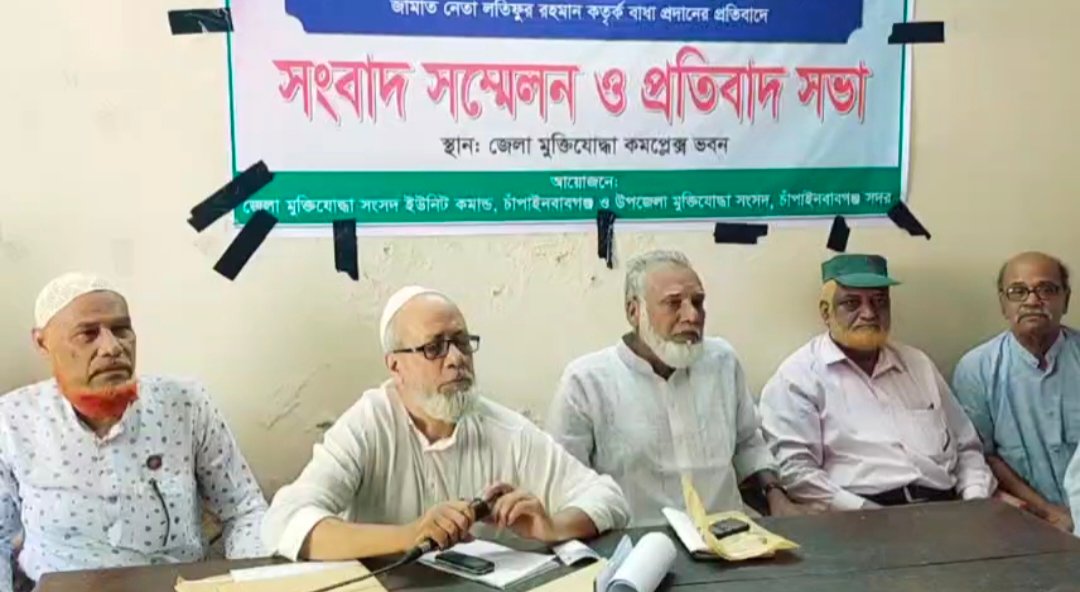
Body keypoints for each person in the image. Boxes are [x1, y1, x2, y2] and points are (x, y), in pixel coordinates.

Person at [261, 287, 629, 561]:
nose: (455, 359)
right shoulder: (369, 423)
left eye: (462, 342)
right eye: (434, 347)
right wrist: (410, 535)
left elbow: (608, 498)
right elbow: (284, 522)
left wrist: (552, 526)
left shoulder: (504, 429)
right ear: (395, 366)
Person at [0, 273, 267, 592]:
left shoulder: (185, 404)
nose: (112, 348)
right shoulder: (13, 421)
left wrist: (251, 584)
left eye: (121, 330)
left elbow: (244, 510)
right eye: (88, 334)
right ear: (42, 342)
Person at [545, 250, 808, 527]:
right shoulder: (587, 382)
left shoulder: (722, 361)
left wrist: (776, 497)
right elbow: (566, 483)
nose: (692, 316)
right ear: (634, 311)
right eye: (673, 303)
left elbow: (748, 443)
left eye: (698, 302)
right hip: (638, 542)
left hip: (730, 536)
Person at [760, 254, 995, 510]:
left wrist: (975, 500)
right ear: (826, 312)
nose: (869, 313)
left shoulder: (917, 364)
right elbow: (797, 472)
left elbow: (967, 448)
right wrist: (866, 512)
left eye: (879, 302)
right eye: (852, 303)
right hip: (855, 516)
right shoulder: (799, 376)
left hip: (943, 508)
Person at [954, 252, 1079, 532]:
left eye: (1046, 289)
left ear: (1066, 299)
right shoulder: (976, 369)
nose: (1032, 301)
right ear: (1003, 303)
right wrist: (1048, 514)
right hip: (1025, 522)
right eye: (1018, 291)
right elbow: (983, 456)